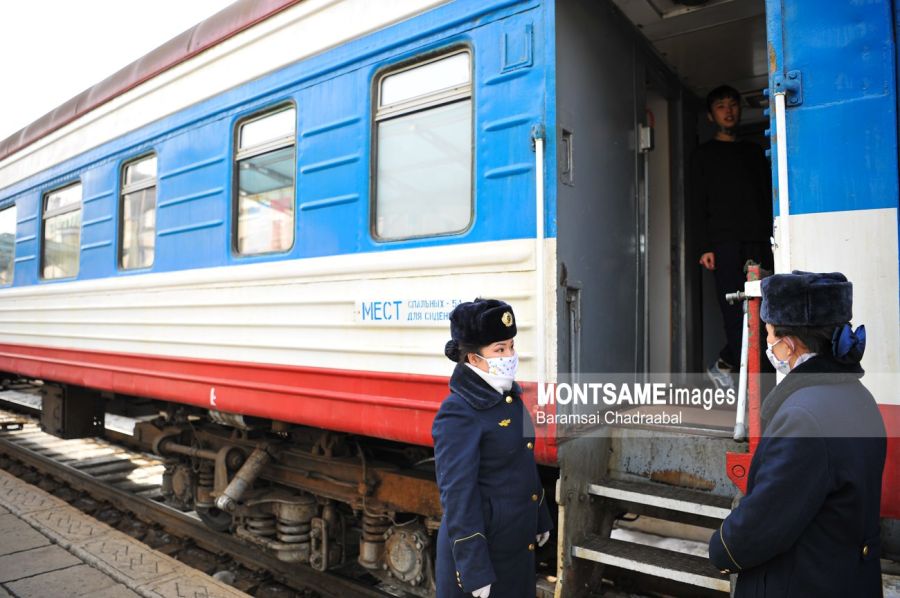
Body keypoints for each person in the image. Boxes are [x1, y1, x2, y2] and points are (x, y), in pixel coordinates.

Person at [708, 271, 886, 597]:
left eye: (770, 334)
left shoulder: (803, 418)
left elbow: (759, 527)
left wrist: (721, 547)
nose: (769, 344)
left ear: (788, 345)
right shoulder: (862, 399)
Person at [432, 298, 553, 598]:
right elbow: (458, 496)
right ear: (473, 359)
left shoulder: (507, 397)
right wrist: (474, 571)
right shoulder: (458, 412)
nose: (510, 356)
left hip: (514, 550)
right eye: (499, 350)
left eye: (511, 346)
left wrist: (539, 516)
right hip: (485, 558)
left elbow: (521, 463)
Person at [691, 85, 773, 389]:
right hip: (724, 245)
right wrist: (704, 246)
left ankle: (729, 364)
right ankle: (748, 388)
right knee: (734, 313)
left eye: (733, 105)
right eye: (721, 106)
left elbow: (767, 196)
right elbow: (697, 204)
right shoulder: (703, 155)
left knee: (764, 312)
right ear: (711, 116)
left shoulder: (752, 152)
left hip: (760, 241)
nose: (729, 111)